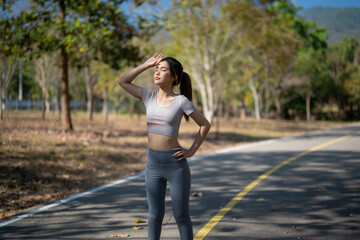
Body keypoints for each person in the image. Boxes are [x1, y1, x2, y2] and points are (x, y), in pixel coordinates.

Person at [117, 53, 211, 240]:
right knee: (155, 215)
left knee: (181, 216)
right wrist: (145, 65)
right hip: (152, 164)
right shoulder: (148, 97)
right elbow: (123, 81)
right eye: (157, 70)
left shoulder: (181, 101)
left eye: (163, 70)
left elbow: (205, 124)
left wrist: (191, 150)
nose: (157, 73)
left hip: (175, 165)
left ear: (174, 77)